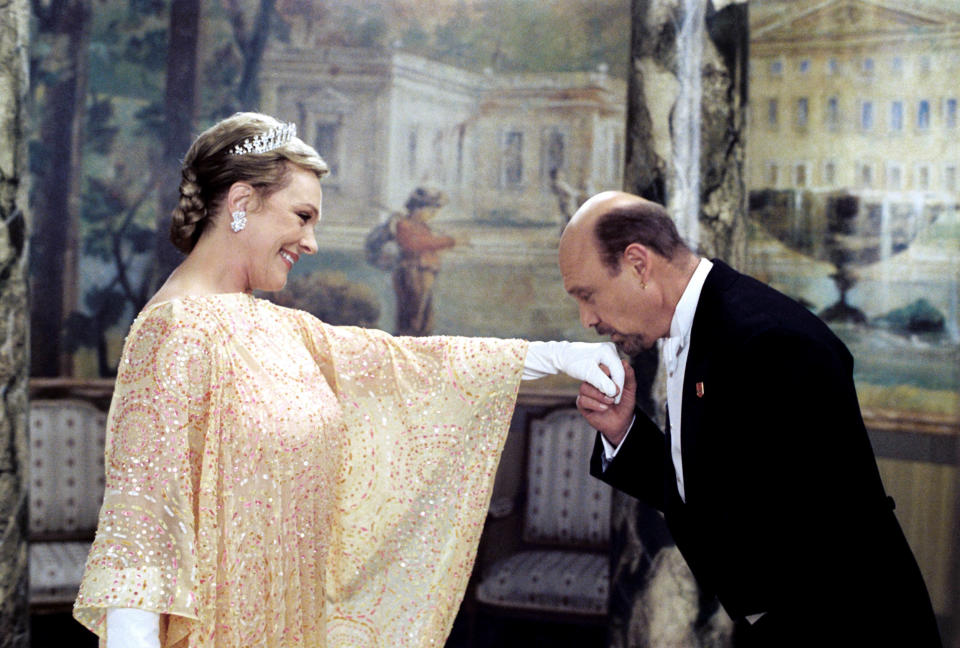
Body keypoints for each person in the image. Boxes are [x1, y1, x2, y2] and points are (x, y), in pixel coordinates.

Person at [73, 112, 624, 648]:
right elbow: (140, 539)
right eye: (302, 216)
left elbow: (401, 366)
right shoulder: (174, 332)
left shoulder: (271, 323)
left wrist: (555, 354)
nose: (311, 242)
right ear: (242, 204)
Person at [561, 190, 942, 647]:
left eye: (588, 295)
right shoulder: (702, 326)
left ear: (639, 264)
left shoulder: (770, 341)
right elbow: (706, 493)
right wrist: (624, 431)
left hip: (843, 626)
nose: (586, 318)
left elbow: (808, 536)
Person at [392, 186, 456, 336]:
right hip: (413, 274)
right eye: (431, 211)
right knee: (413, 315)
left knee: (424, 315)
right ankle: (409, 342)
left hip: (425, 274)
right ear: (417, 208)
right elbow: (417, 244)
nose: (432, 215)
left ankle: (422, 339)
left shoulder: (421, 226)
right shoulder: (404, 225)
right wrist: (449, 240)